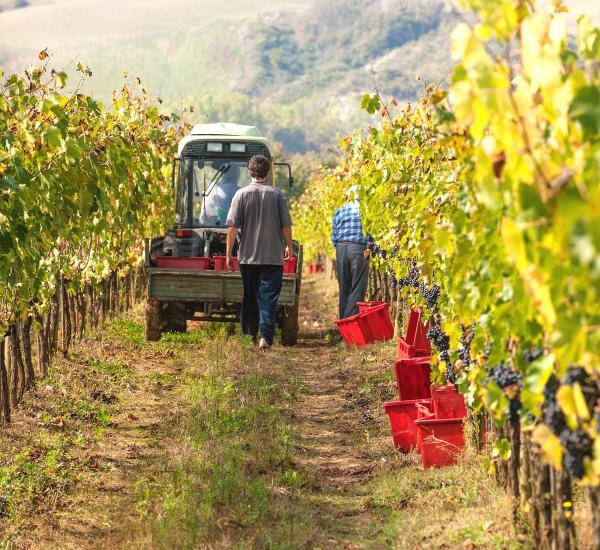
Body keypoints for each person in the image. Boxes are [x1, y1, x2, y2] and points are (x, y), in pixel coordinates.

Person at [225, 155, 294, 349]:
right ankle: (265, 337)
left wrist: (229, 254)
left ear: (249, 172)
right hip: (273, 258)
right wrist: (289, 246)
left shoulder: (241, 195)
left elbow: (232, 227)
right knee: (269, 298)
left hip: (248, 257)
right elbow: (286, 226)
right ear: (268, 172)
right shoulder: (277, 195)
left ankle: (249, 337)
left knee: (249, 297)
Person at [332, 185, 369, 319]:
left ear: (348, 197)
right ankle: (350, 322)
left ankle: (343, 323)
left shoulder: (339, 211)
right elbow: (371, 234)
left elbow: (334, 236)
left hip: (341, 248)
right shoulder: (367, 212)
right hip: (359, 248)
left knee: (344, 287)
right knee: (358, 287)